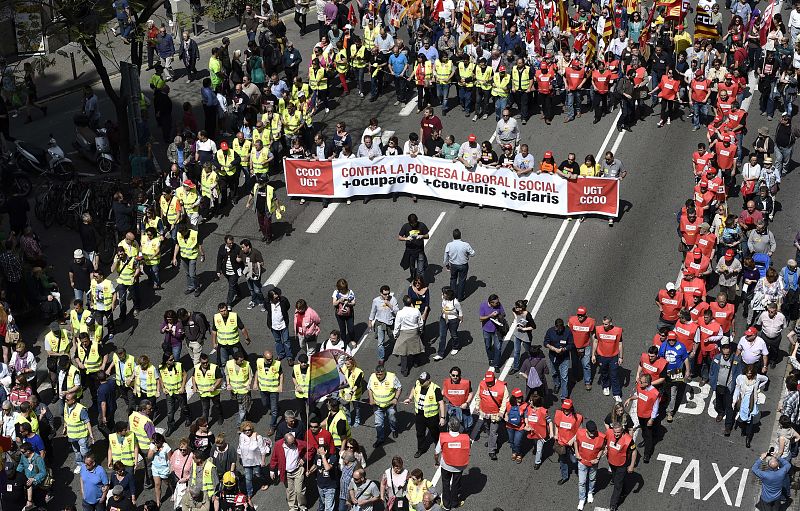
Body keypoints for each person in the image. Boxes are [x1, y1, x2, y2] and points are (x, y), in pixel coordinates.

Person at [733, 364, 769, 448]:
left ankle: (748, 439)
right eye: (747, 373)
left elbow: (766, 379)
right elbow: (737, 389)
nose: (749, 375)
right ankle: (743, 430)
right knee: (744, 417)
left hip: (752, 401)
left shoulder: (757, 377)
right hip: (743, 401)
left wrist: (758, 387)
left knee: (751, 420)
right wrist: (734, 400)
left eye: (750, 373)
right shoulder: (740, 378)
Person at [270, 433, 308, 511]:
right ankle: (293, 507)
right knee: (290, 491)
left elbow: (310, 448)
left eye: (293, 442)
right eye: (291, 443)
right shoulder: (278, 445)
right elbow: (274, 458)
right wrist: (272, 470)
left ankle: (302, 506)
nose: (293, 444)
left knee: (299, 491)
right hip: (286, 473)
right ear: (285, 442)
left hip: (298, 471)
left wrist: (304, 458)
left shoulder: (297, 442)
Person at [605, 422, 637, 510]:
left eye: (618, 432)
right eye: (614, 432)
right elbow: (605, 441)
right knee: (617, 479)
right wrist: (605, 448)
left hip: (622, 464)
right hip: (611, 462)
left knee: (617, 485)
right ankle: (624, 490)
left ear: (622, 430)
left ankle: (613, 505)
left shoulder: (628, 439)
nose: (616, 434)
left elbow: (634, 451)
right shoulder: (609, 432)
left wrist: (631, 465)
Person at [368, 365, 401, 448]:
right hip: (377, 406)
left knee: (392, 419)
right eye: (377, 374)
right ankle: (380, 438)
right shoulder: (372, 377)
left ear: (385, 373)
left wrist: (396, 398)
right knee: (378, 423)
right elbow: (369, 388)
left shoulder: (392, 377)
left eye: (380, 374)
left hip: (390, 405)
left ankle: (394, 429)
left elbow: (399, 387)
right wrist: (371, 399)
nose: (378, 376)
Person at [592, 316, 624, 402]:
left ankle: (616, 393)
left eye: (606, 324)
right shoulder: (598, 329)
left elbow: (620, 344)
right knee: (604, 372)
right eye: (603, 324)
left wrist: (621, 357)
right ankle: (606, 386)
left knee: (614, 375)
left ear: (610, 323)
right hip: (602, 356)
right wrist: (593, 355)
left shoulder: (617, 331)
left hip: (613, 356)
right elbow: (595, 342)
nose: (604, 326)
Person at [237, 420, 271, 499]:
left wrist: (262, 460)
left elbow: (262, 450)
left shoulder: (258, 437)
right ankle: (249, 494)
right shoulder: (242, 436)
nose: (247, 431)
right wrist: (240, 456)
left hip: (256, 460)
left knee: (258, 474)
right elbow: (240, 447)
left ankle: (265, 481)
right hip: (246, 462)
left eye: (249, 430)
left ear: (252, 429)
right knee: (248, 478)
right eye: (245, 430)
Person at [393, 296, 425, 377]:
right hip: (414, 331)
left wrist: (395, 335)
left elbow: (397, 326)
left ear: (403, 303)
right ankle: (416, 363)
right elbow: (420, 323)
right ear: (411, 303)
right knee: (415, 347)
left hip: (404, 333)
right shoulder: (416, 311)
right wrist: (420, 330)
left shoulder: (400, 313)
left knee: (403, 353)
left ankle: (404, 370)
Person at [544, 318, 574, 401]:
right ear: (555, 327)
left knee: (564, 377)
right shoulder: (550, 331)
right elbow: (545, 343)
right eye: (557, 328)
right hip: (553, 357)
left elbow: (571, 345)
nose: (559, 330)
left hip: (564, 357)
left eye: (560, 329)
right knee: (554, 373)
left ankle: (564, 396)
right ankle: (557, 384)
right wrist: (553, 348)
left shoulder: (568, 332)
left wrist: (564, 349)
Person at [369, 285, 399, 365]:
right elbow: (373, 311)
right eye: (385, 294)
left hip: (390, 322)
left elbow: (397, 312)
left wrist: (389, 304)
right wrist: (370, 321)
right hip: (380, 323)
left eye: (388, 293)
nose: (387, 295)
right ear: (381, 294)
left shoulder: (393, 300)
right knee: (380, 343)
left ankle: (397, 349)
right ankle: (381, 358)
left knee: (393, 338)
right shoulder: (376, 301)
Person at [443, 229, 475, 302]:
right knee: (462, 280)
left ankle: (452, 296)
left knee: (453, 279)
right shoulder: (465, 244)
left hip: (453, 265)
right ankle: (460, 297)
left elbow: (446, 256)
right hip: (463, 265)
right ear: (460, 235)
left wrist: (446, 264)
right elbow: (473, 253)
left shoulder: (449, 245)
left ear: (453, 236)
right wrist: (467, 254)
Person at [254, 350, 282, 435]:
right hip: (263, 388)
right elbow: (257, 371)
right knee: (265, 404)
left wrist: (280, 385)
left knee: (273, 410)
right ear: (264, 358)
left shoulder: (277, 364)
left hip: (273, 390)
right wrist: (255, 382)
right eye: (268, 359)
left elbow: (281, 374)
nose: (270, 361)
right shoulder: (259, 361)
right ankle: (275, 407)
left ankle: (272, 427)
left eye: (271, 358)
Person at [192, 353, 223, 425]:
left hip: (214, 393)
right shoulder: (196, 368)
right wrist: (194, 386)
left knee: (217, 406)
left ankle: (220, 416)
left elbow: (220, 378)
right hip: (203, 393)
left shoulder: (214, 367)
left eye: (207, 362)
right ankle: (205, 424)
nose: (205, 364)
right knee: (205, 409)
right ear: (200, 362)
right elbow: (193, 377)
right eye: (203, 363)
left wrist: (214, 387)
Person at [480, 294, 507, 370]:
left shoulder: (499, 304)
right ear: (491, 303)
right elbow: (481, 318)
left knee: (498, 348)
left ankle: (496, 364)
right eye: (496, 303)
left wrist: (499, 315)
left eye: (498, 302)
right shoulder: (483, 305)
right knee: (488, 346)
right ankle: (491, 358)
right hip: (487, 330)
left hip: (497, 330)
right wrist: (490, 315)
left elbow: (504, 314)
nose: (498, 304)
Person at [399, 214, 430, 281]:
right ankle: (413, 278)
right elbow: (399, 237)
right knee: (412, 267)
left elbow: (427, 236)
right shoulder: (405, 226)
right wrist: (406, 239)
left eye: (415, 223)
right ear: (409, 222)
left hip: (420, 250)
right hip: (410, 251)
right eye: (412, 224)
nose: (414, 225)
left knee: (420, 269)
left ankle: (421, 282)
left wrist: (422, 236)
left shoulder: (421, 225)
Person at [226, 348, 252, 422]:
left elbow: (250, 376)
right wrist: (228, 384)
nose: (242, 361)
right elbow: (227, 374)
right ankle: (245, 417)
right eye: (240, 360)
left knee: (242, 409)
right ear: (235, 360)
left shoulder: (247, 364)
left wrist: (249, 384)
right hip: (234, 390)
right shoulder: (229, 364)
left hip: (244, 391)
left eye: (243, 360)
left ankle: (240, 424)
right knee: (240, 405)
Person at [267, 288, 293, 362]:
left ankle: (289, 357)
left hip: (283, 324)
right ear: (271, 299)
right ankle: (281, 354)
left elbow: (287, 306)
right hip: (274, 326)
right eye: (275, 298)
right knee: (277, 341)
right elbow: (267, 309)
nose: (278, 298)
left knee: (286, 341)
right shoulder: (268, 303)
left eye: (278, 296)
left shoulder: (283, 300)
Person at [147, 432, 172, 508]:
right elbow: (149, 457)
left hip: (164, 469)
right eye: (154, 442)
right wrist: (153, 451)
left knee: (168, 483)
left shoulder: (166, 447)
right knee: (157, 485)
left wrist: (171, 469)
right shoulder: (152, 446)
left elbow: (170, 459)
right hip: (155, 468)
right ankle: (158, 500)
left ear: (161, 441)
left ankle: (173, 491)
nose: (156, 444)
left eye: (157, 443)